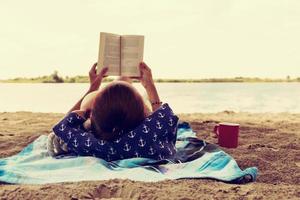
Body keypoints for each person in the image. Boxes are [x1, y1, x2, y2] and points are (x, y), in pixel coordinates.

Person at [48, 62, 179, 161]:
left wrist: (93, 87)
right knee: (126, 88)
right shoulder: (152, 135)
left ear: (91, 116)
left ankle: (123, 79)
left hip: (105, 121)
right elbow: (164, 119)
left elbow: (65, 124)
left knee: (118, 87)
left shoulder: (88, 143)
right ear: (146, 116)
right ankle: (126, 79)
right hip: (128, 118)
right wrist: (149, 85)